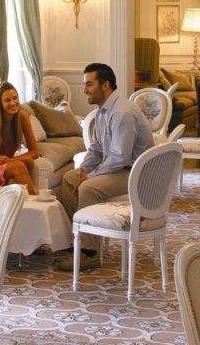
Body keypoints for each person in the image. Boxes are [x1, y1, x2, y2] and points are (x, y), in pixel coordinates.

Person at [57, 63, 154, 271]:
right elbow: (96, 149)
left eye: (89, 85)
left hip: (135, 173)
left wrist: (91, 176)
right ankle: (78, 240)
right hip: (120, 169)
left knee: (88, 187)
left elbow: (120, 157)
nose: (84, 90)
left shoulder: (122, 113)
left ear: (106, 85)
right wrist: (83, 170)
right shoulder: (103, 111)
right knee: (69, 179)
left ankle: (90, 254)